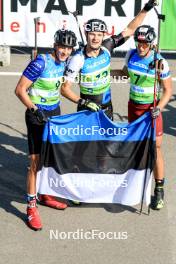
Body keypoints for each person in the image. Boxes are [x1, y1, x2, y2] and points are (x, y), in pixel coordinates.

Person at [15, 29, 77, 231]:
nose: (64, 51)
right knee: (35, 162)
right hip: (36, 115)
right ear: (55, 45)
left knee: (49, 158)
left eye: (68, 48)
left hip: (54, 113)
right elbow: (20, 89)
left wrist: (81, 101)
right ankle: (31, 207)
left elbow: (61, 89)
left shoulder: (65, 63)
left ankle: (44, 193)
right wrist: (35, 109)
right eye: (62, 46)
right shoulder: (40, 62)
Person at [61, 0, 158, 120]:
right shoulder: (78, 58)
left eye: (99, 34)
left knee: (107, 139)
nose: (95, 38)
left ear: (103, 36)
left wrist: (146, 9)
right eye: (92, 34)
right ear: (86, 35)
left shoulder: (107, 47)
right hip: (87, 111)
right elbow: (64, 89)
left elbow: (129, 30)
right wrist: (82, 102)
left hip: (108, 109)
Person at [116, 25, 172, 210]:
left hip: (151, 110)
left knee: (155, 148)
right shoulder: (131, 55)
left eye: (145, 44)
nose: (141, 47)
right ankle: (134, 184)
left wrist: (160, 108)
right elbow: (125, 74)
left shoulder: (160, 62)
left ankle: (159, 190)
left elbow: (167, 90)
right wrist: (102, 75)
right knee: (136, 146)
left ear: (151, 43)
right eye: (138, 42)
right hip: (133, 107)